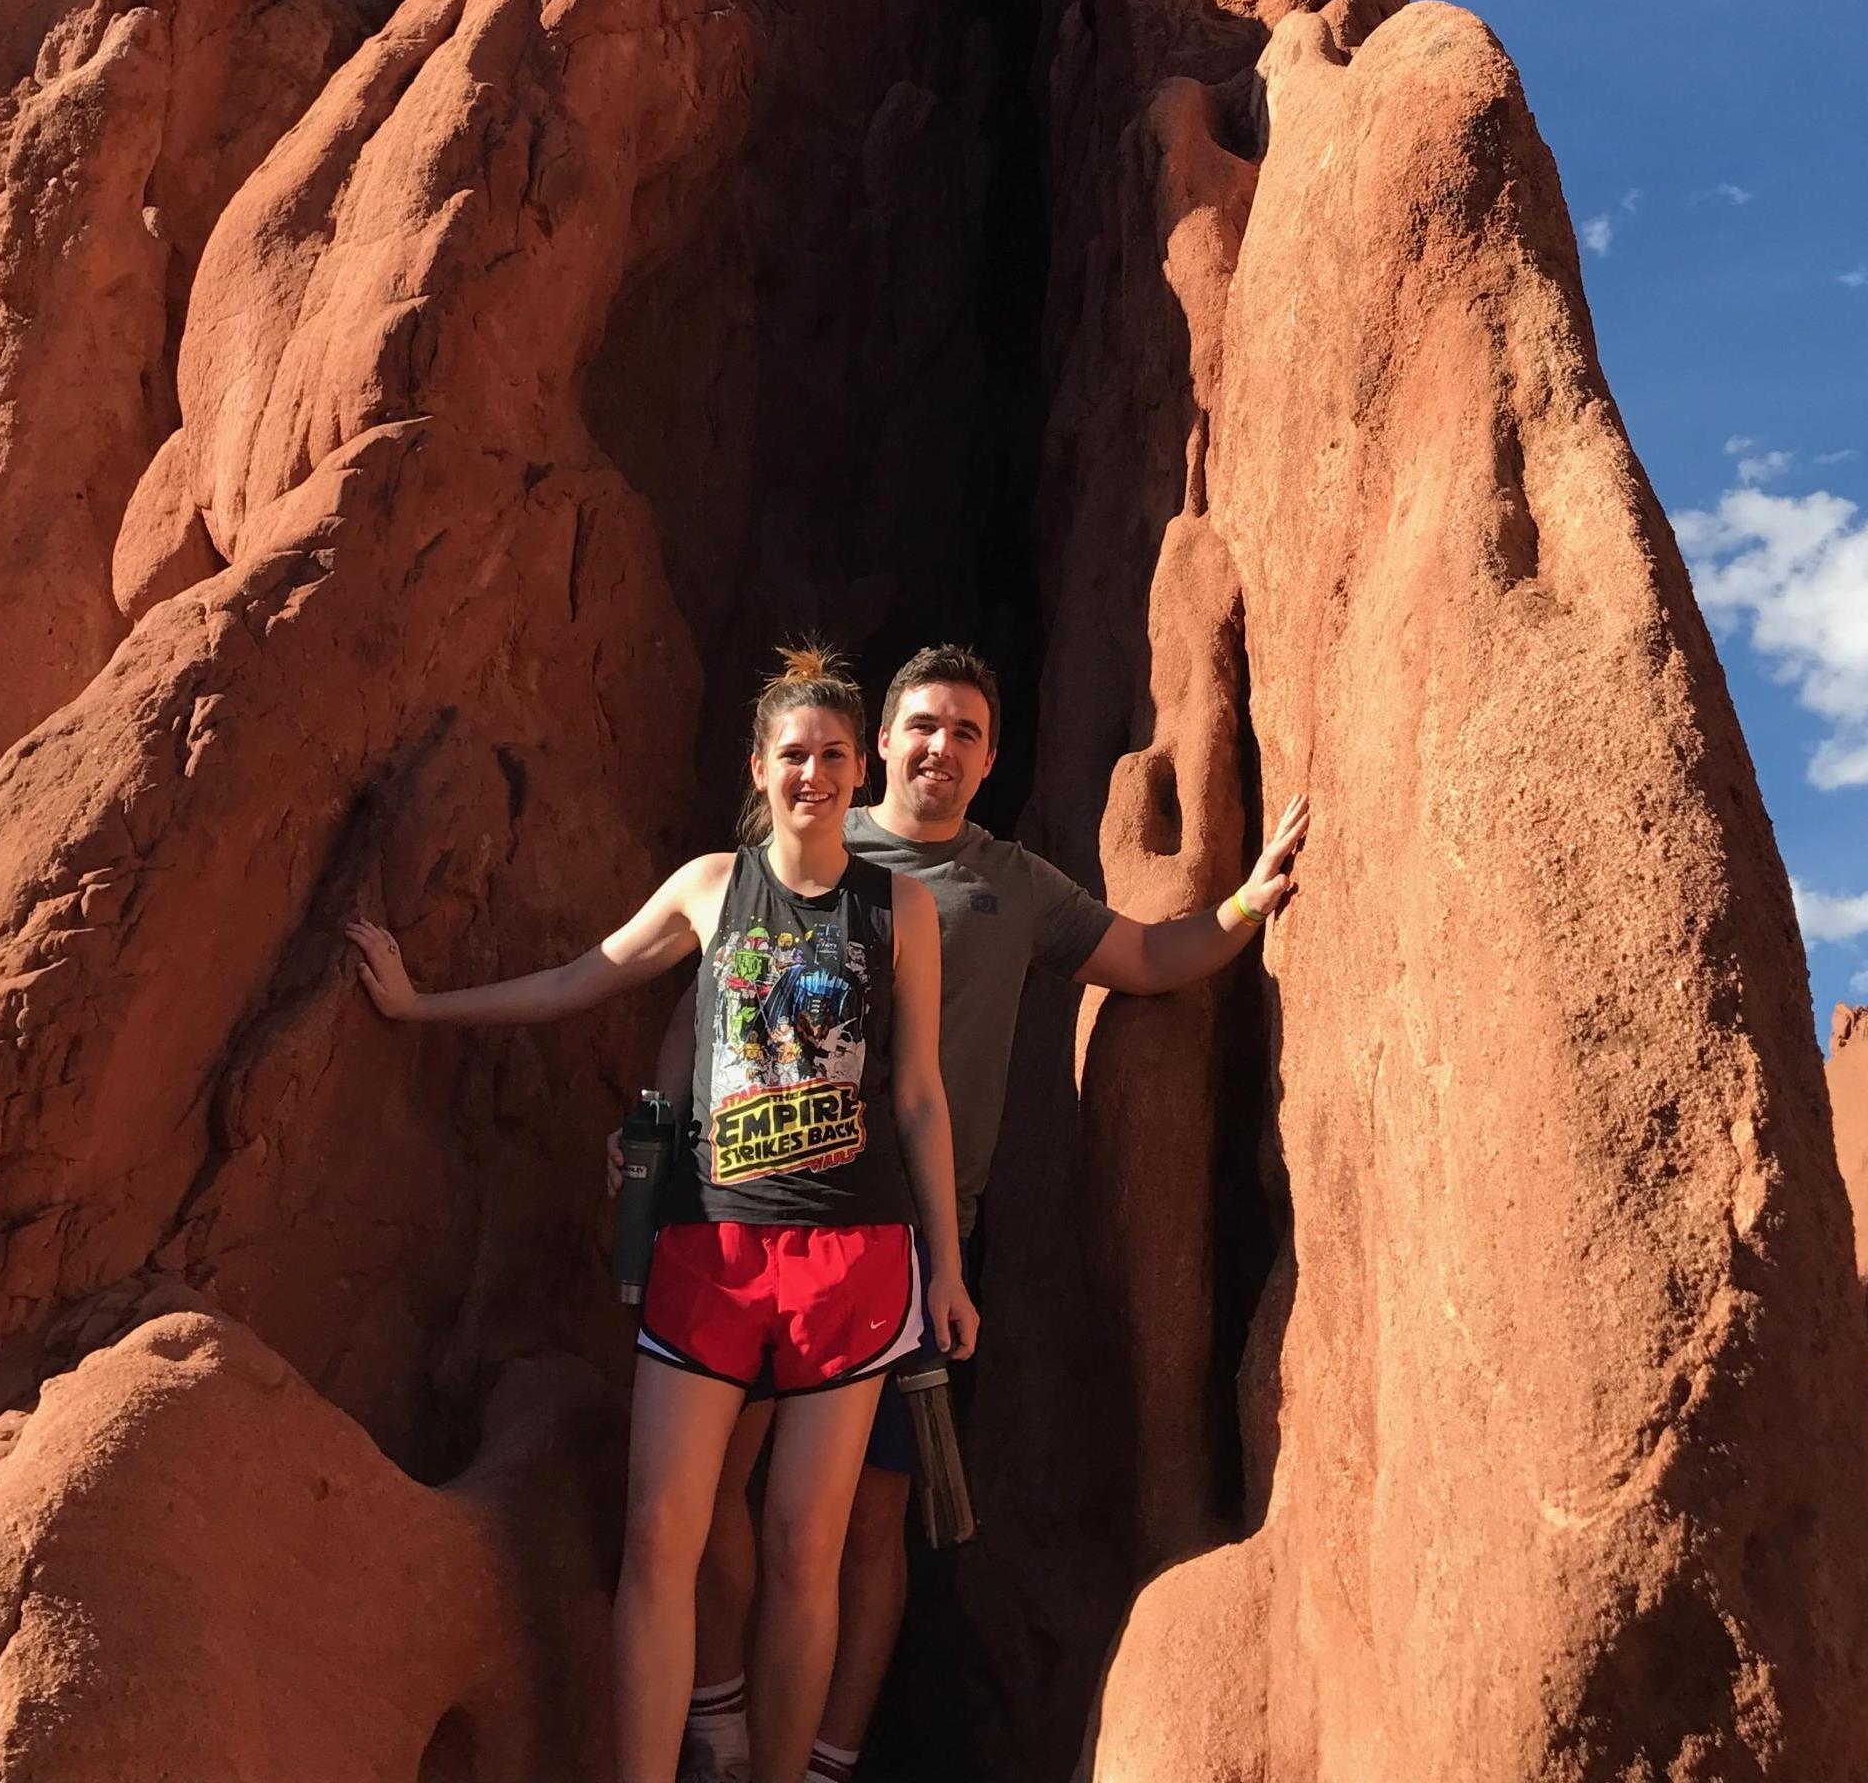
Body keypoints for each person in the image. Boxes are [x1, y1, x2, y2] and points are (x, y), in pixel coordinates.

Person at [657, 642, 1309, 1783]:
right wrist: (657, 1144)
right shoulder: (806, 848)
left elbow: (1149, 955)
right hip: (757, 1219)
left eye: (965, 733)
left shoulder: (1012, 885)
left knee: (868, 1520)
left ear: (992, 757)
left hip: (913, 1241)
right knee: (719, 1490)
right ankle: (718, 1727)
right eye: (921, 726)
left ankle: (823, 1761)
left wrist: (1248, 899)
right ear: (878, 745)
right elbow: (711, 995)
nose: (940, 749)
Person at [347, 644, 976, 1783]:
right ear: (760, 764)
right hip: (712, 1253)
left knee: (803, 1551)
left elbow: (921, 1096)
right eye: (796, 753)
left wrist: (948, 1267)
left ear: (858, 767)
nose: (817, 774)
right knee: (659, 1543)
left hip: (853, 1257)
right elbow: (578, 978)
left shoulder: (902, 910)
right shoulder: (710, 886)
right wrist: (419, 1005)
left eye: (836, 754)